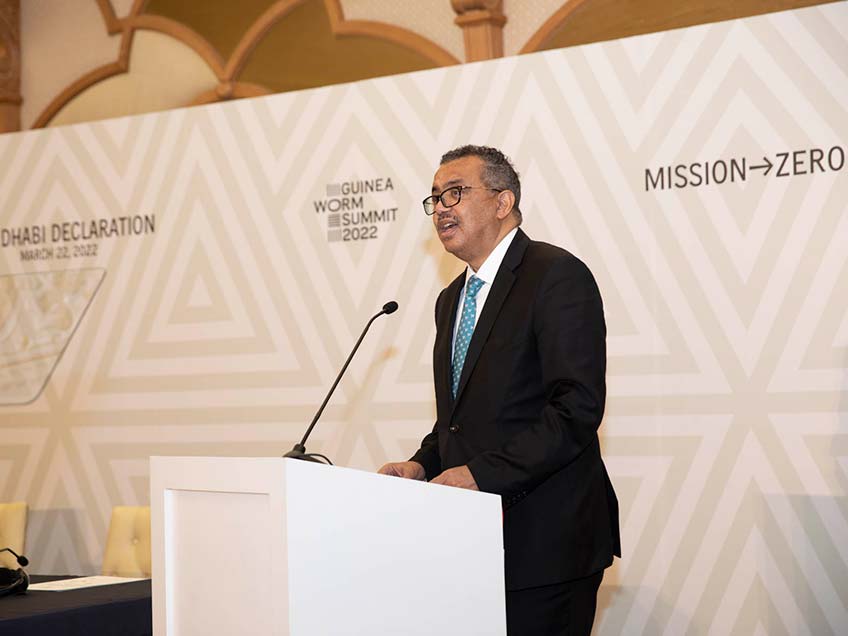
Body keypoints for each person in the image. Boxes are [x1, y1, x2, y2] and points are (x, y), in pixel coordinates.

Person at [378, 145, 621, 635]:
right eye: (434, 198)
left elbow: (576, 408)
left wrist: (479, 474)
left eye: (455, 192)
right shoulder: (451, 300)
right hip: (471, 541)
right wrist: (423, 463)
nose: (441, 207)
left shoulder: (555, 275)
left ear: (502, 201)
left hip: (546, 540)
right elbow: (459, 417)